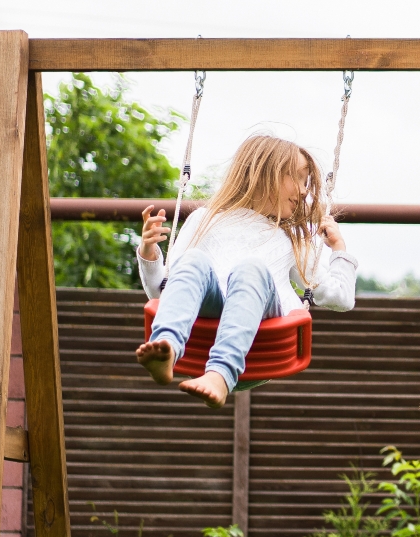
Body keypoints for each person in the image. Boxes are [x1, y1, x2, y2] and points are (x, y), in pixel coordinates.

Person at [135, 134, 357, 408]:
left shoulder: (292, 241)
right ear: (265, 174)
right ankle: (166, 347)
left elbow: (342, 298)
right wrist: (149, 253)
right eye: (298, 178)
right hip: (205, 325)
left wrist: (339, 249)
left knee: (250, 268)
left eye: (306, 183)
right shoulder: (204, 220)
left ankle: (221, 374)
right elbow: (165, 292)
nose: (303, 191)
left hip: (262, 338)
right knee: (192, 260)